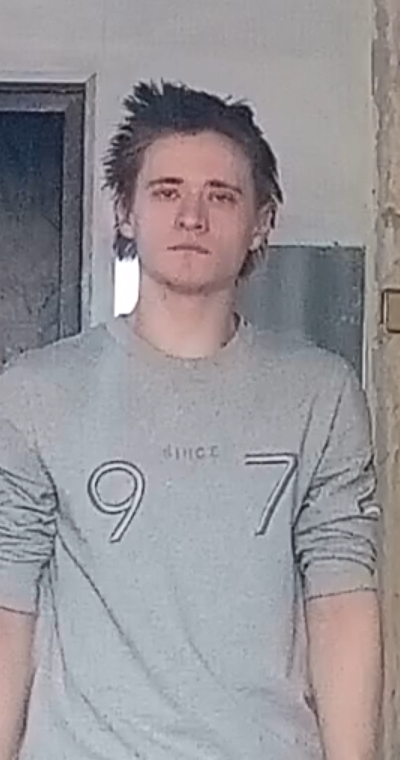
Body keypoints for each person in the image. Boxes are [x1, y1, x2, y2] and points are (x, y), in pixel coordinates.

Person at [0, 81, 382, 760]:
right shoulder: (37, 394)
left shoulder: (320, 394)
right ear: (126, 211)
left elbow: (342, 601)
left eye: (221, 196)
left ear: (261, 222)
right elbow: (8, 607)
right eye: (167, 191)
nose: (192, 217)